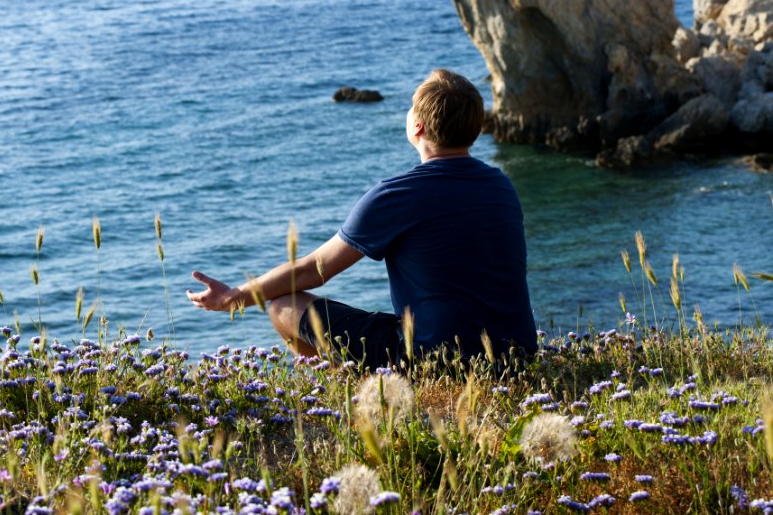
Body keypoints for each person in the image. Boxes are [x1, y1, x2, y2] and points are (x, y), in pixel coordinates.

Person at [186, 69, 537, 369]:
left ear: (417, 126)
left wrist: (233, 297)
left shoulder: (397, 195)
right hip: (516, 355)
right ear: (475, 129)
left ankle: (340, 393)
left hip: (435, 358)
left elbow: (314, 270)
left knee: (283, 306)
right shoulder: (501, 186)